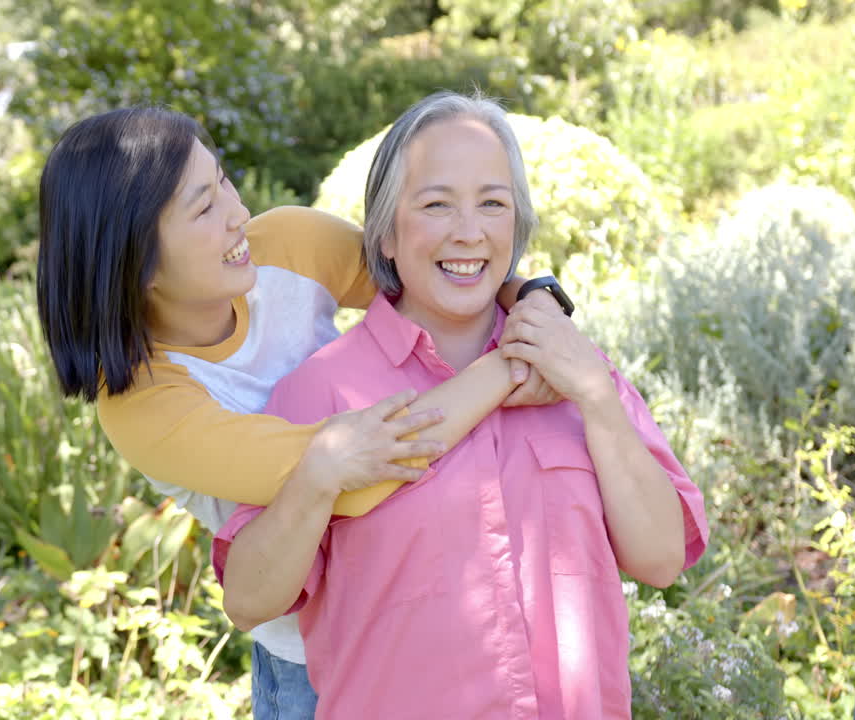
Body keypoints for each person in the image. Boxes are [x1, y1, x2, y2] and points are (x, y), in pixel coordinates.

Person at [35, 105, 570, 719]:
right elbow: (363, 465)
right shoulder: (143, 405)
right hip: (311, 661)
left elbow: (436, 271)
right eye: (203, 207)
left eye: (224, 183)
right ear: (138, 259)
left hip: (421, 614)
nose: (238, 214)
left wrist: (532, 297)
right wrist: (511, 366)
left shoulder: (288, 243)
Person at [215, 91, 710, 719]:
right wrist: (319, 476)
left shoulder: (578, 370)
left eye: (493, 204)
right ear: (387, 233)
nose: (469, 231)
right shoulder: (323, 393)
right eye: (436, 204)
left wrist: (595, 394)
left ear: (517, 225)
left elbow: (662, 559)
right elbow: (250, 600)